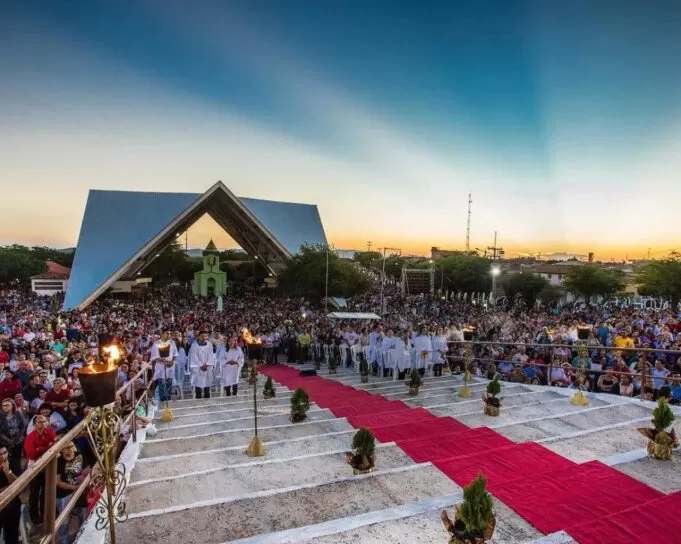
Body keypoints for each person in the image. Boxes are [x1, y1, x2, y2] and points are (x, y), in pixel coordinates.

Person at [24, 414, 57, 524]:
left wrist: (40, 449)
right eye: (40, 422)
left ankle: (45, 512)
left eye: (44, 421)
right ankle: (34, 516)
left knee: (45, 491)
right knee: (34, 492)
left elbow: (56, 443)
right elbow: (32, 454)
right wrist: (48, 447)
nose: (43, 424)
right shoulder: (30, 437)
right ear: (34, 425)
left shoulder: (49, 432)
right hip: (35, 467)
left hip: (47, 465)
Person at [56, 441, 89, 544]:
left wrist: (83, 482)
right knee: (64, 521)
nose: (70, 449)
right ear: (61, 450)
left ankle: (83, 537)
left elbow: (87, 467)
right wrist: (74, 487)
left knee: (82, 515)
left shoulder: (79, 454)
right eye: (66, 448)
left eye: (71, 446)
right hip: (64, 494)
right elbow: (57, 482)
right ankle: (64, 541)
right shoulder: (58, 461)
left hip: (80, 490)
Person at [0, 398, 27, 475]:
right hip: (4, 442)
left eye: (7, 405)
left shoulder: (18, 413)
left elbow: (23, 427)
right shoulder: (0, 415)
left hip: (17, 441)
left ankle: (17, 475)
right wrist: (9, 441)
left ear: (12, 406)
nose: (5, 407)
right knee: (5, 459)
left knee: (16, 460)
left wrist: (15, 440)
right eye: (3, 405)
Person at [0, 446, 20, 544]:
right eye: (0, 454)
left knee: (12, 538)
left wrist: (8, 472)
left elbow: (19, 485)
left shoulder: (13, 462)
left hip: (12, 505)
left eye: (4, 453)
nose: (3, 456)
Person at [189, 331, 215, 398]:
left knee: (207, 381)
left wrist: (207, 364)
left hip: (207, 366)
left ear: (207, 337)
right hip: (198, 367)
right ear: (199, 337)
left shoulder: (209, 345)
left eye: (205, 336)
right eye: (202, 336)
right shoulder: (194, 345)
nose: (203, 337)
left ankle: (207, 395)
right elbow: (194, 356)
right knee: (198, 382)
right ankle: (198, 396)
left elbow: (211, 355)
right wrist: (201, 365)